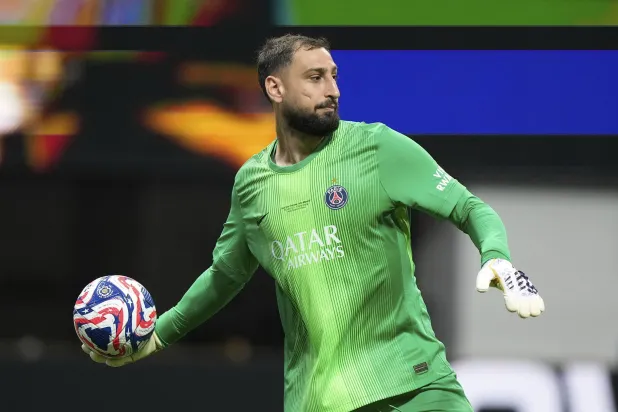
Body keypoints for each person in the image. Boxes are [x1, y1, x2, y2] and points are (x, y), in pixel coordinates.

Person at [81, 34, 545, 412]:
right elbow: (225, 276)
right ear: (275, 88)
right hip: (318, 401)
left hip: (413, 387)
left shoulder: (378, 148)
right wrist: (158, 336)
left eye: (334, 76)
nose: (333, 90)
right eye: (315, 77)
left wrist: (497, 256)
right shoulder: (252, 184)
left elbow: (470, 208)